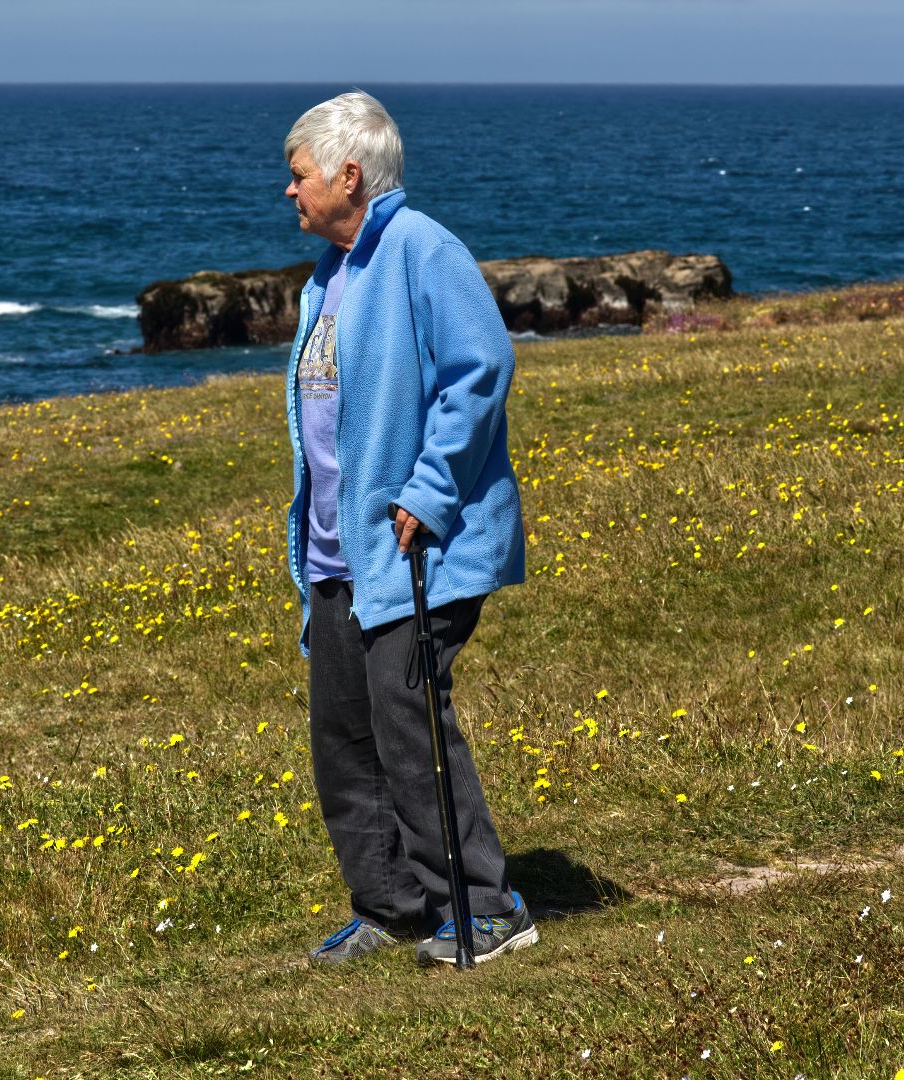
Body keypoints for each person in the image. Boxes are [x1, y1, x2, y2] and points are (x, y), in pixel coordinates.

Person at [281, 91, 534, 967]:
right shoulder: (330, 274)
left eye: (299, 173)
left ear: (349, 175)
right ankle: (392, 903)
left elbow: (481, 367)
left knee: (409, 716)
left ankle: (487, 905)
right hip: (339, 552)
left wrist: (427, 493)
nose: (291, 191)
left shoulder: (422, 248)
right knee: (344, 731)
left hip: (417, 545)